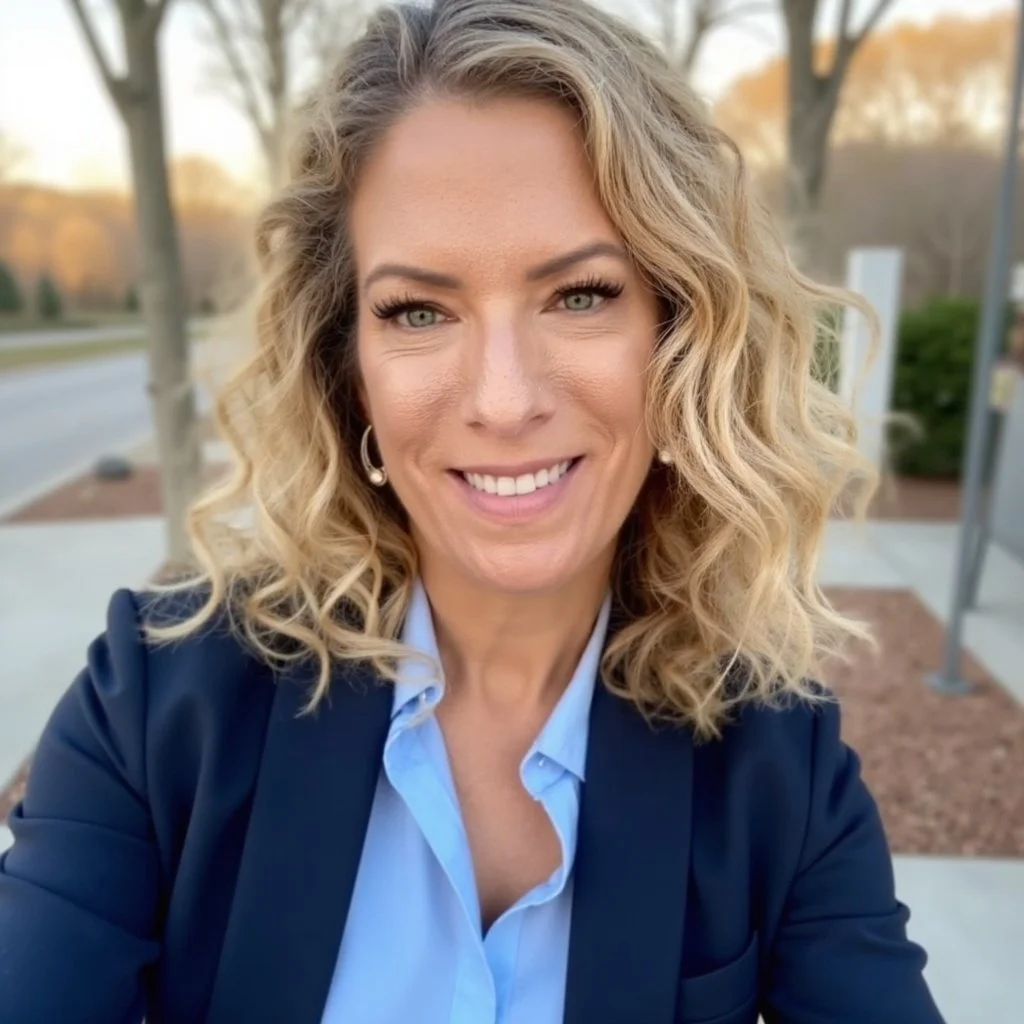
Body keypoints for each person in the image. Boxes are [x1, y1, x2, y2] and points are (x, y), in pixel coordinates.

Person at [0, 1, 946, 1021]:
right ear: (349, 373)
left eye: (580, 295)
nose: (503, 400)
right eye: (419, 311)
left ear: (681, 337)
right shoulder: (156, 707)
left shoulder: (779, 769)